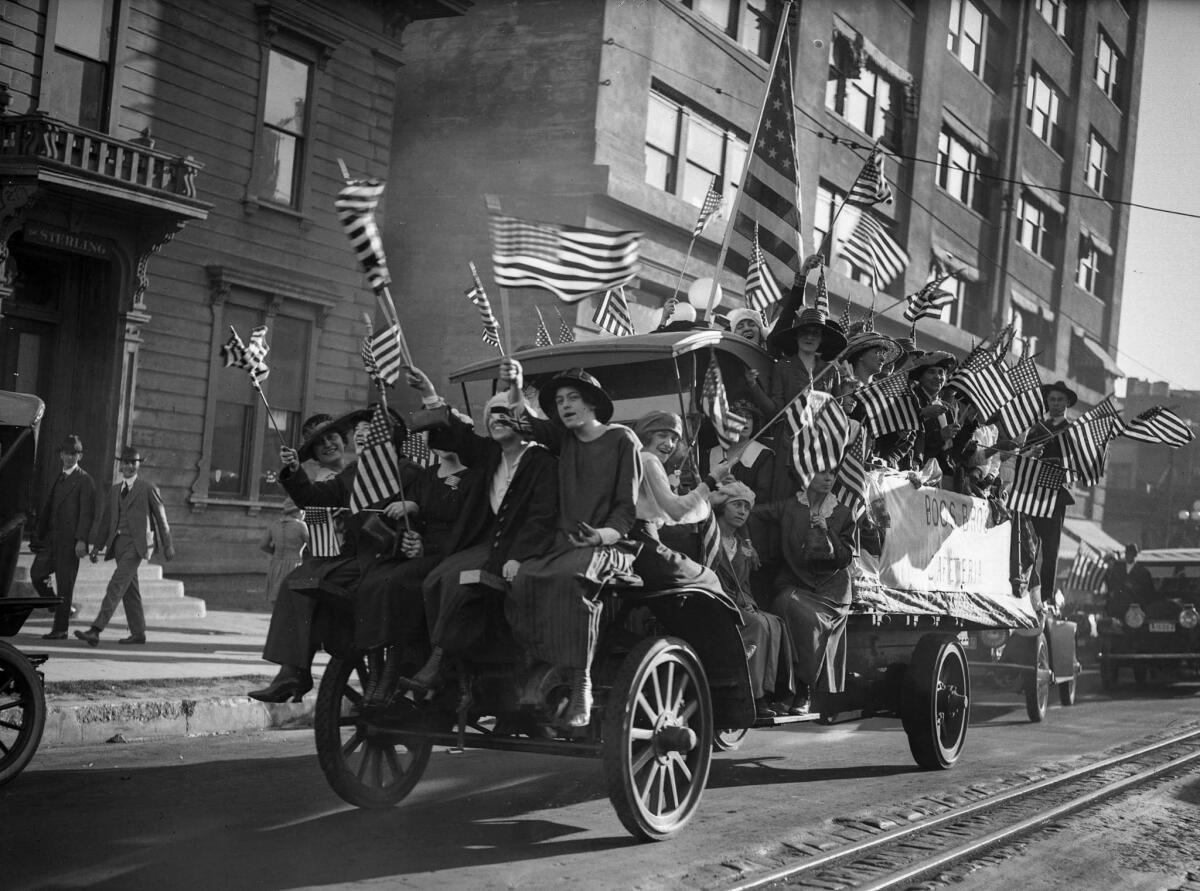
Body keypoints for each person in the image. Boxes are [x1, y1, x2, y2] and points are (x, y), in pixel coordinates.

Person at [400, 372, 559, 696]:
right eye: (491, 416)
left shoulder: (542, 462)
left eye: (505, 414)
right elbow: (457, 434)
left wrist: (518, 556)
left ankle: (441, 660)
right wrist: (430, 391)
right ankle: (444, 657)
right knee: (435, 579)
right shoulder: (491, 453)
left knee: (460, 582)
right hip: (489, 543)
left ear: (522, 421)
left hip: (521, 547)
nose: (497, 420)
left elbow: (541, 518)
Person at [504, 360, 642, 728]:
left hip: (607, 546)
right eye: (560, 400)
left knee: (572, 580)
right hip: (560, 545)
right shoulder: (562, 438)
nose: (564, 405)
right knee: (524, 578)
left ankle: (582, 683)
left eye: (573, 398)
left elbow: (626, 512)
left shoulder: (622, 440)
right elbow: (525, 421)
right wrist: (517, 386)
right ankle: (543, 669)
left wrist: (600, 535)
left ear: (593, 403)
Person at [248, 407, 419, 702]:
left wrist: (411, 511)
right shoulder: (354, 473)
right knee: (298, 581)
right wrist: (293, 471)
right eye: (359, 434)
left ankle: (384, 672)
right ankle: (293, 672)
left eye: (371, 432)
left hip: (394, 559)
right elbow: (313, 497)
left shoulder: (410, 472)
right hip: (358, 559)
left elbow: (426, 517)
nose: (361, 438)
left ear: (390, 438)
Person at [352, 440, 473, 700]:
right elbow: (410, 521)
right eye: (438, 436)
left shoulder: (472, 476)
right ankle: (375, 666)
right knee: (373, 577)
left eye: (449, 434)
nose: (443, 441)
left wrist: (424, 546)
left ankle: (394, 665)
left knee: (396, 581)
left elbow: (465, 527)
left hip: (448, 553)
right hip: (419, 548)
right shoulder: (427, 475)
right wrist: (409, 535)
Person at [751, 468, 857, 712]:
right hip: (795, 582)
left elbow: (845, 559)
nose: (828, 478)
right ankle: (782, 688)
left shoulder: (842, 512)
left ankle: (804, 689)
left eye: (832, 474)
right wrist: (748, 543)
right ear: (806, 476)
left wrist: (826, 529)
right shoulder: (791, 506)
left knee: (808, 618)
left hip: (831, 591)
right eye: (821, 473)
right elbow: (752, 514)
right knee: (785, 605)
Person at [709, 482, 795, 718]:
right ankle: (755, 697)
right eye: (736, 505)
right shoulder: (709, 538)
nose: (742, 512)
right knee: (756, 624)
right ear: (722, 508)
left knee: (775, 622)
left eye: (746, 508)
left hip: (740, 603)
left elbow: (744, 585)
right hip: (716, 603)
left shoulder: (742, 545)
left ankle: (773, 693)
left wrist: (748, 602)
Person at [74, 446, 174, 646]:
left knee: (116, 584)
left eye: (133, 462)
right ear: (120, 466)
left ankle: (96, 629)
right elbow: (105, 522)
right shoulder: (114, 490)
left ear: (138, 465)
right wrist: (97, 548)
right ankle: (138, 633)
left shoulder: (147, 488)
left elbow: (161, 519)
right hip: (118, 546)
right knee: (130, 590)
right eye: (125, 462)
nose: (128, 466)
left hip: (136, 546)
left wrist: (168, 545)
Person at [747, 304, 846, 501]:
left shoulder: (830, 371)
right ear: (796, 336)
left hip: (819, 445)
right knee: (784, 498)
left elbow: (836, 410)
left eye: (815, 333)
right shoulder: (783, 367)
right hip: (788, 443)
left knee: (813, 502)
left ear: (822, 339)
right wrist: (753, 387)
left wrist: (849, 391)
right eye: (804, 333)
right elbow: (775, 409)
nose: (809, 337)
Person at [29, 434, 96, 640]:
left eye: (74, 454)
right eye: (66, 453)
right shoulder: (59, 477)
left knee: (65, 585)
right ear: (61, 455)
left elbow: (87, 513)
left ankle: (60, 629)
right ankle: (55, 606)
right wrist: (38, 536)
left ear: (80, 456)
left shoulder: (84, 480)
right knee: (37, 574)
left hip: (70, 542)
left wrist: (82, 540)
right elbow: (49, 508)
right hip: (52, 539)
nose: (69, 457)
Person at [1024, 380, 1077, 604]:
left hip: (1056, 495)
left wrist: (1058, 463)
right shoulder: (1036, 428)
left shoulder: (1073, 431)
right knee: (1029, 545)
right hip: (1033, 493)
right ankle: (1026, 591)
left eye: (1060, 400)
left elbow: (1078, 462)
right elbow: (1023, 456)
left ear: (1067, 403)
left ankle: (1046, 597)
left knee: (1051, 548)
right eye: (1052, 399)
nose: (1055, 404)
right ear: (1047, 401)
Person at [707, 398, 772, 504]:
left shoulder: (763, 455)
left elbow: (763, 496)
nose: (745, 421)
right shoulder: (710, 454)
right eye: (739, 416)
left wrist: (738, 488)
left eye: (749, 417)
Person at [259, 500, 308, 606]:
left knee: (276, 599)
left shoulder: (274, 525)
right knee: (292, 599)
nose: (304, 514)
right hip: (294, 565)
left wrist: (274, 551)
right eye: (303, 511)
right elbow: (313, 545)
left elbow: (263, 545)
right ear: (297, 512)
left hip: (276, 564)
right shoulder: (301, 526)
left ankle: (277, 620)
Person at [1103, 542, 1155, 616]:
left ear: (1135, 555)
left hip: (1135, 605)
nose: (1129, 556)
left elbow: (1148, 589)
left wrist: (1134, 587)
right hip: (1119, 604)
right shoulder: (1118, 568)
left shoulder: (1142, 571)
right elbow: (1110, 581)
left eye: (1131, 554)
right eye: (1127, 553)